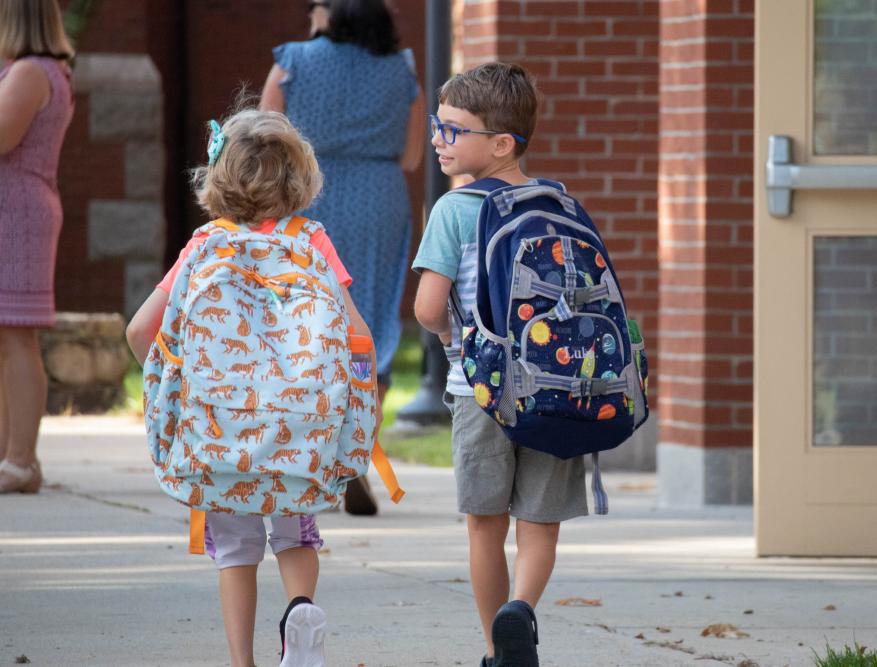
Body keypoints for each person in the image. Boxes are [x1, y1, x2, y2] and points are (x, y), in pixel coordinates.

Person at [126, 107, 381, 667]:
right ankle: (299, 613)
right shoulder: (312, 240)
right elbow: (357, 338)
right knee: (295, 535)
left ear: (218, 175)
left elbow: (140, 330)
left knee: (235, 550)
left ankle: (242, 661)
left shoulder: (204, 244)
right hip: (298, 430)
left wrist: (179, 384)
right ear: (299, 177)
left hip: (221, 432)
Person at [412, 63, 584, 667]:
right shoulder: (560, 202)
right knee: (539, 524)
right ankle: (524, 611)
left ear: (501, 143)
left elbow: (429, 307)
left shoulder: (454, 210)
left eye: (451, 128)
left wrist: (450, 337)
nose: (438, 137)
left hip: (479, 391)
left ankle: (495, 648)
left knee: (484, 526)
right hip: (559, 391)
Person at [261, 0, 425, 515]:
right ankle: (353, 459)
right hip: (379, 198)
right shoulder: (402, 69)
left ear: (330, 14)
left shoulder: (291, 61)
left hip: (307, 198)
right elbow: (414, 156)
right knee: (367, 325)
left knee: (301, 324)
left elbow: (261, 142)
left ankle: (308, 460)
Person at [0, 0, 75, 494]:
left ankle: (21, 460)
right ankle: (12, 455)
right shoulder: (27, 69)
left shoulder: (31, 71)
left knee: (17, 333)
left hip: (18, 213)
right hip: (16, 208)